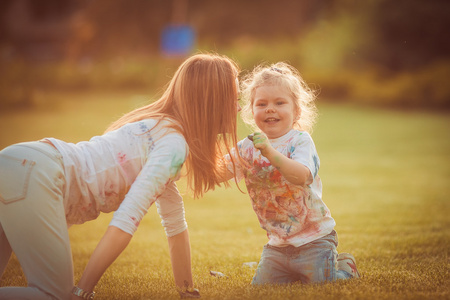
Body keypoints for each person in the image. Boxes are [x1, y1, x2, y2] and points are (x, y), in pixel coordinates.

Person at [0, 53, 241, 300]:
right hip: (39, 172)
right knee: (53, 295)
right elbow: (126, 220)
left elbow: (175, 223)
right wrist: (82, 291)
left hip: (18, 161)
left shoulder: (159, 128)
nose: (239, 107)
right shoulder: (173, 144)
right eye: (234, 98)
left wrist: (187, 291)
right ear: (212, 101)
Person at [222, 62, 360, 285]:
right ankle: (293, 272)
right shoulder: (246, 147)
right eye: (262, 103)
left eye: (279, 102)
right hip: (278, 245)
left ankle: (346, 268)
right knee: (261, 288)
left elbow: (301, 176)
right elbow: (218, 172)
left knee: (323, 284)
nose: (270, 108)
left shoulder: (299, 140)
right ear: (252, 110)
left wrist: (268, 151)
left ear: (296, 111)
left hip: (314, 239)